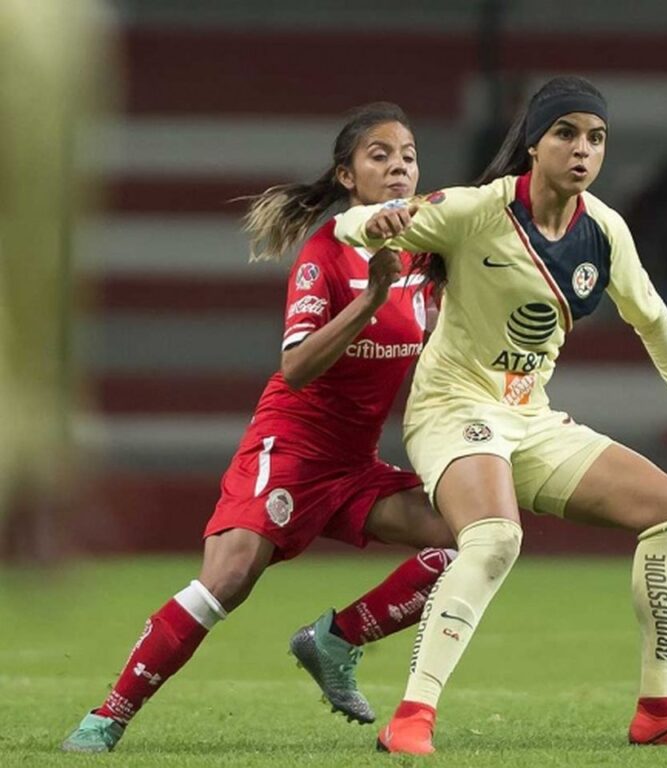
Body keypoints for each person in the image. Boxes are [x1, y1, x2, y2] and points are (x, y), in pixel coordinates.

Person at [333, 76, 667, 755]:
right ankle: (411, 717)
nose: (583, 150)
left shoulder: (603, 230)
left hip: (529, 419)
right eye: (567, 133)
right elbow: (353, 224)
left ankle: (662, 708)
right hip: (452, 410)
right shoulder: (475, 211)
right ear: (534, 143)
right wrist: (369, 221)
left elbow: (650, 314)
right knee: (495, 539)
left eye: (596, 138)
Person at [61, 102, 456, 753]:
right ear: (347, 175)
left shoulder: (421, 253)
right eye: (379, 155)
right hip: (291, 449)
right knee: (229, 580)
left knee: (472, 541)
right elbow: (296, 367)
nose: (398, 167)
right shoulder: (326, 254)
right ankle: (108, 715)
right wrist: (368, 301)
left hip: (356, 465)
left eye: (408, 155)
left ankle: (335, 639)